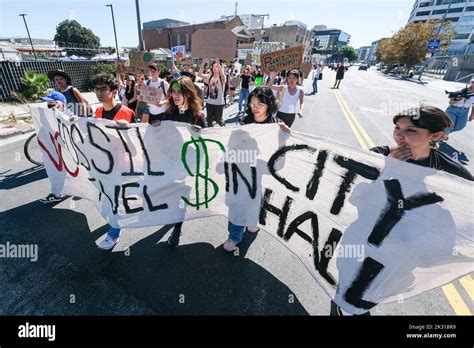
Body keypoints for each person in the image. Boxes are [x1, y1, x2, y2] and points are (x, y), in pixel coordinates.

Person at [331, 105, 473, 316]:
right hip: (361, 240)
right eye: (397, 128)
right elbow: (351, 195)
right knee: (347, 295)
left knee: (368, 295)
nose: (400, 135)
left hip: (400, 255)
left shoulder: (451, 174)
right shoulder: (379, 155)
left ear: (436, 136)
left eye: (411, 130)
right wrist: (387, 169)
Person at [223, 87, 291, 252]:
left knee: (254, 199)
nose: (255, 107)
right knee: (238, 202)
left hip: (260, 171)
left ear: (268, 105)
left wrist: (285, 136)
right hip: (241, 169)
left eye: (260, 104)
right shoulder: (244, 121)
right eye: (252, 103)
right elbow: (231, 143)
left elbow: (278, 155)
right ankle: (235, 236)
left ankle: (251, 222)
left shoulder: (275, 125)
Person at [149, 76, 207, 247]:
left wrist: (199, 133)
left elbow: (206, 145)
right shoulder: (169, 113)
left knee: (181, 198)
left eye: (179, 92)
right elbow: (162, 137)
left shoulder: (198, 116)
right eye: (173, 92)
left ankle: (177, 228)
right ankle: (174, 217)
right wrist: (157, 126)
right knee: (172, 196)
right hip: (171, 163)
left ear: (188, 93)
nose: (175, 95)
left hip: (187, 167)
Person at [89, 74, 138, 250]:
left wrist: (125, 133)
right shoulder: (98, 112)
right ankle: (115, 222)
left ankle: (113, 233)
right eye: (96, 89)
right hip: (103, 165)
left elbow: (137, 148)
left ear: (114, 92)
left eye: (103, 89)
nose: (99, 93)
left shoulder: (127, 113)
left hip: (120, 166)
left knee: (114, 200)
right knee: (108, 198)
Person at [38, 91, 70, 204]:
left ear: (60, 104)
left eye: (52, 103)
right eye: (48, 104)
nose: (49, 106)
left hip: (66, 152)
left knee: (60, 171)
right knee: (58, 171)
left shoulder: (68, 116)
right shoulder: (50, 116)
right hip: (57, 152)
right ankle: (58, 192)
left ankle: (58, 193)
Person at [198, 58, 226, 127]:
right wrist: (203, 62)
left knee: (218, 120)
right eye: (213, 66)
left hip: (219, 103)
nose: (215, 68)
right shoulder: (209, 76)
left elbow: (222, 75)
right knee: (209, 121)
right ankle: (211, 134)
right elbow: (199, 74)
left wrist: (218, 63)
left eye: (216, 66)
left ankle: (224, 131)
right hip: (209, 102)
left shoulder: (222, 77)